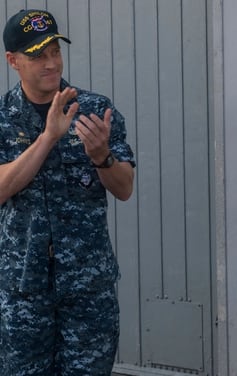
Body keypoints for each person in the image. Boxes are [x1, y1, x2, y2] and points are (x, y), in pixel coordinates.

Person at [0, 9, 135, 375]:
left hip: (87, 287)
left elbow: (124, 188)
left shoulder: (94, 110)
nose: (50, 63)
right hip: (24, 291)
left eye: (55, 52)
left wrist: (101, 157)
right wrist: (48, 139)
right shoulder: (2, 118)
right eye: (37, 55)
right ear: (12, 60)